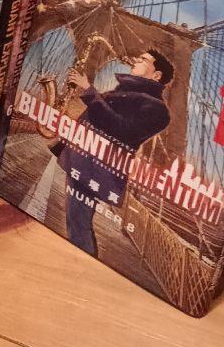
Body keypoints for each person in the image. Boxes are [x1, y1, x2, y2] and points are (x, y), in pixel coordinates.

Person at [53, 48, 173, 257]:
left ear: (156, 75)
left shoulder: (157, 109)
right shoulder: (121, 92)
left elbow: (122, 130)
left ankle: (82, 262)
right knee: (75, 220)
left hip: (97, 168)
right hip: (85, 160)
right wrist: (60, 145)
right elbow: (91, 121)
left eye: (143, 59)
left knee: (78, 223)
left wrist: (88, 90)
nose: (136, 60)